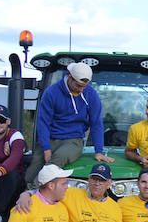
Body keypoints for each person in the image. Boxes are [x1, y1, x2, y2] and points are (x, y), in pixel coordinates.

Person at [25, 61, 111, 192]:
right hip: (50, 138)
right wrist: (46, 149)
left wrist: (98, 150)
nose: (81, 89)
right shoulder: (51, 92)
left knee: (57, 159)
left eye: (84, 86)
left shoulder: (91, 94)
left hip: (73, 139)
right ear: (69, 77)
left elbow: (96, 122)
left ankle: (32, 192)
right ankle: (27, 191)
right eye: (78, 85)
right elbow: (43, 122)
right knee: (33, 168)